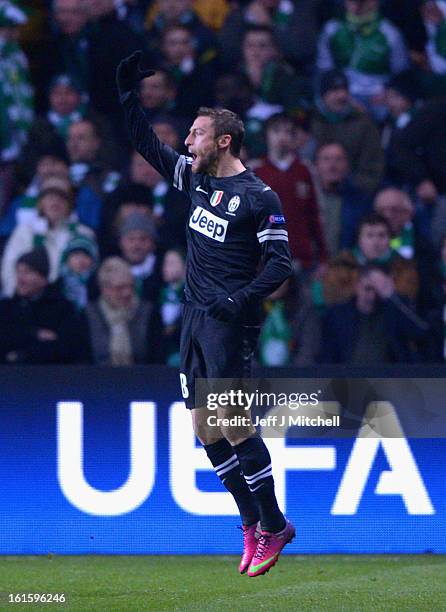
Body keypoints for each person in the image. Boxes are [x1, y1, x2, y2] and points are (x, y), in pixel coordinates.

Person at [116, 50, 295, 577]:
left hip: (230, 324)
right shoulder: (195, 179)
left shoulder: (258, 196)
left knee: (235, 427)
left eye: (195, 134)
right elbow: (147, 144)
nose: (185, 142)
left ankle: (275, 525)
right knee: (205, 431)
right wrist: (127, 96)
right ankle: (251, 523)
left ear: (223, 141)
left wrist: (239, 299)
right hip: (195, 321)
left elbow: (281, 262)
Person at [254, 113, 327, 275]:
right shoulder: (255, 171)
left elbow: (316, 215)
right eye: (276, 131)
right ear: (267, 135)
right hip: (264, 260)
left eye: (288, 132)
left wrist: (322, 256)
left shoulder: (306, 170)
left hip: (302, 259)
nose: (282, 137)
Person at [0, 247, 87, 364]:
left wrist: (20, 355)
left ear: (43, 278)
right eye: (18, 272)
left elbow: (65, 348)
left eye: (27, 272)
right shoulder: (6, 307)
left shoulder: (63, 308)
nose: (20, 278)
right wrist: (34, 334)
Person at [311, 69, 384, 196]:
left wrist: (355, 187)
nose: (341, 96)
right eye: (334, 91)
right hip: (313, 192)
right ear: (323, 95)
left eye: (344, 90)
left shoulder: (363, 123)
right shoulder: (310, 121)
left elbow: (373, 165)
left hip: (353, 194)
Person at [85, 256, 163, 365]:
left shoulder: (148, 313)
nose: (127, 293)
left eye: (131, 286)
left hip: (142, 378)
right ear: (104, 289)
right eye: (119, 288)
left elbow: (157, 358)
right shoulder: (88, 315)